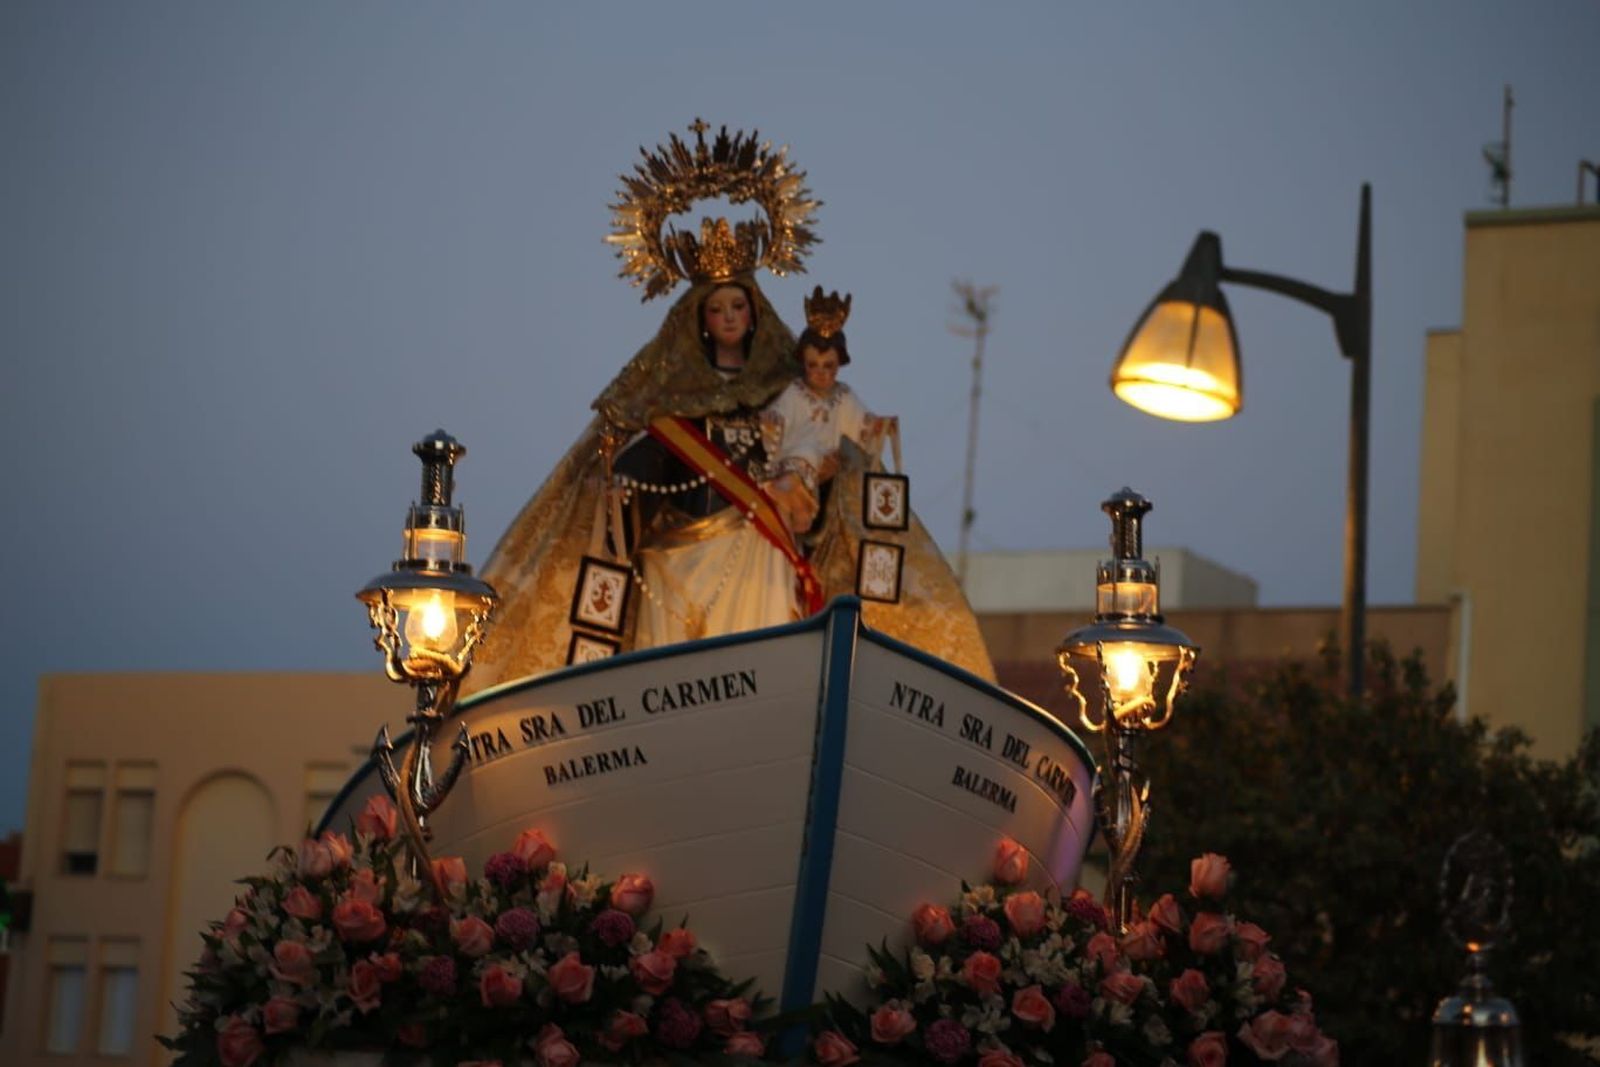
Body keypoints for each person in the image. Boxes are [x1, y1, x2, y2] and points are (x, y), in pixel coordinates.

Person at [762, 288, 895, 533]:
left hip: (830, 467)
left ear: (839, 364)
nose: (821, 372)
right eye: (813, 365)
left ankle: (804, 510)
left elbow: (862, 425)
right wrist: (771, 421)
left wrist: (879, 426)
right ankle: (795, 500)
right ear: (803, 363)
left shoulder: (844, 396)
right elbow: (778, 417)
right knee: (807, 451)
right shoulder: (795, 392)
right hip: (797, 459)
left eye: (828, 365)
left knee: (818, 456)